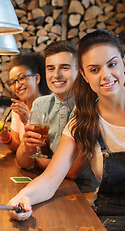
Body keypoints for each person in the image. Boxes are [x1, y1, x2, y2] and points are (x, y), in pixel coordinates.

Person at [8, 30, 125, 230]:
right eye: (94, 69)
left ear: (124, 63)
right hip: (115, 217)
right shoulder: (82, 119)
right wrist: (22, 197)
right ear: (83, 75)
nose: (106, 75)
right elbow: (50, 180)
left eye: (112, 64)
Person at [16, 41, 98, 195]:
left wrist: (40, 162)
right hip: (49, 186)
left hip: (85, 195)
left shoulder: (91, 107)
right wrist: (27, 147)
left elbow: (73, 171)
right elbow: (23, 162)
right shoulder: (40, 104)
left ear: (79, 72)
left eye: (64, 68)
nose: (56, 75)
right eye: (51, 68)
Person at [0, 53, 50, 152]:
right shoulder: (19, 108)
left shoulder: (52, 106)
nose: (17, 86)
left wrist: (27, 121)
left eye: (21, 78)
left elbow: (46, 151)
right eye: (12, 82)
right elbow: (18, 148)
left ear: (37, 78)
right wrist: (6, 136)